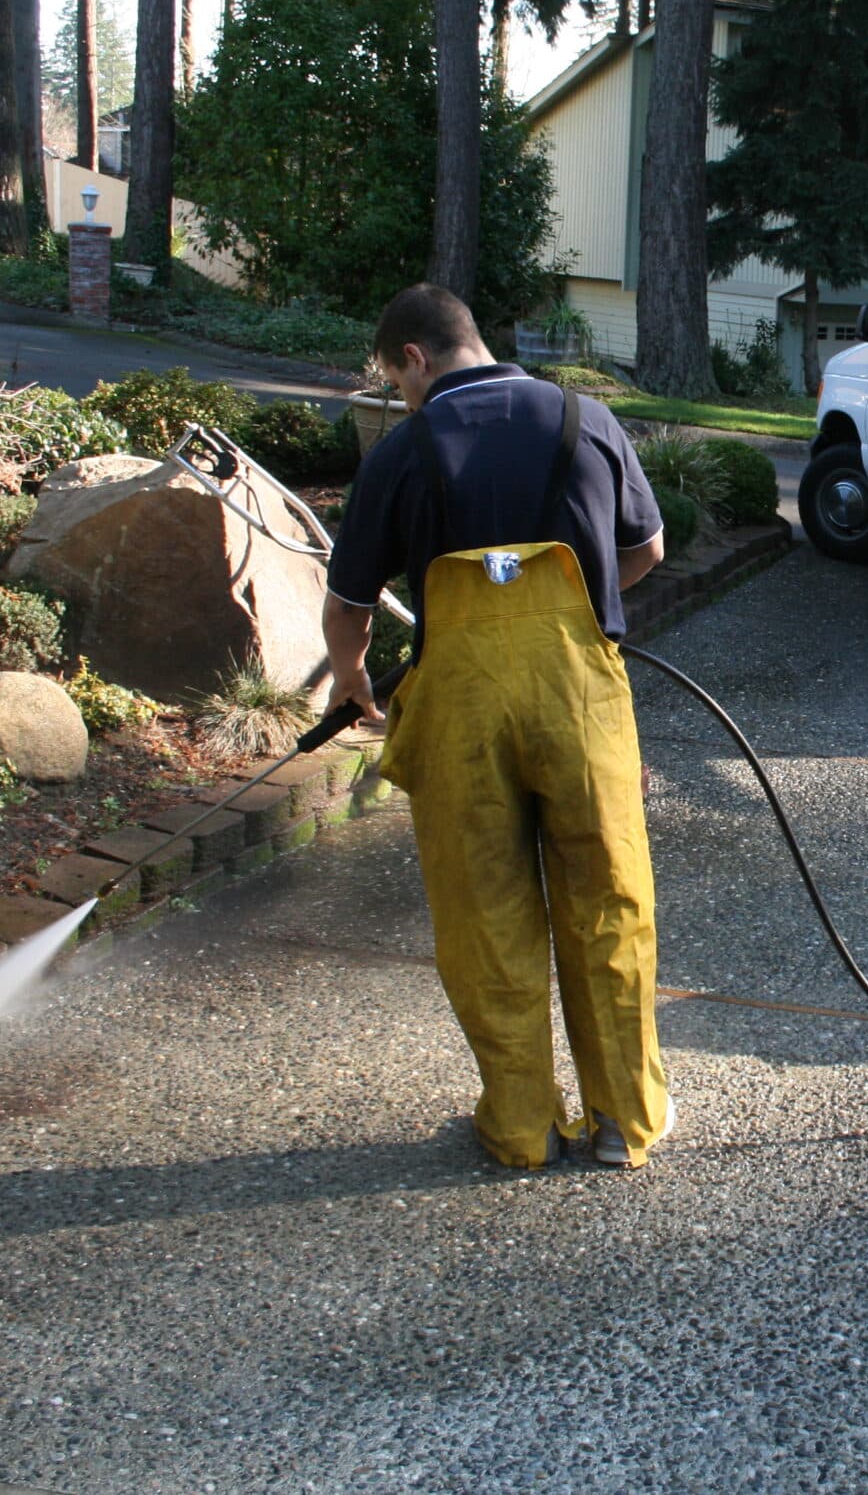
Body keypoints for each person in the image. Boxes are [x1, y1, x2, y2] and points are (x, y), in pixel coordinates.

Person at [322, 283, 673, 1169]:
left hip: (462, 711)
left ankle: (522, 1127)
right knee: (609, 903)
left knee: (485, 915)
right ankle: (622, 1122)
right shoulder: (586, 420)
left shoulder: (403, 450)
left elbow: (349, 604)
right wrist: (580, 607)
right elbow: (648, 550)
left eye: (394, 377)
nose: (400, 393)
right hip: (580, 701)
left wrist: (353, 682)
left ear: (415, 357)